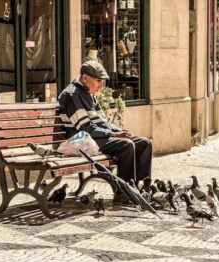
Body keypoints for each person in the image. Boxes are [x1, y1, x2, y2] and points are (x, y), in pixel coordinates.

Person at [58, 60, 152, 203]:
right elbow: (85, 128)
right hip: (82, 141)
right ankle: (123, 192)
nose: (101, 85)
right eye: (98, 81)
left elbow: (104, 122)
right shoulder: (72, 95)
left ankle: (140, 188)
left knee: (144, 143)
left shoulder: (89, 93)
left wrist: (120, 131)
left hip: (95, 138)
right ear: (84, 78)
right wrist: (114, 134)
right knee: (126, 145)